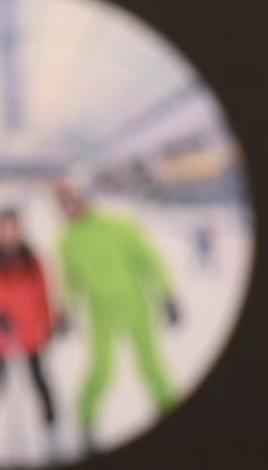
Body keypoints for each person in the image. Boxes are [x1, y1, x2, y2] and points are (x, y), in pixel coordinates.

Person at [55, 181, 180, 430]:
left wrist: (167, 294)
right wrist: (65, 311)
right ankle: (86, 420)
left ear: (84, 200)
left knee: (152, 367)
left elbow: (148, 260)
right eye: (63, 203)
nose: (69, 207)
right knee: (102, 371)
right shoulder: (67, 241)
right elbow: (70, 281)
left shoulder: (118, 226)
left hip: (136, 307)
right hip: (102, 313)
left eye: (73, 200)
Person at [0, 207, 61, 457]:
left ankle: (51, 431)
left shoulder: (32, 259)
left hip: (30, 332)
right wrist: (1, 314)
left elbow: (44, 293)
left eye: (14, 227)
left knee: (39, 381)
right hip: (1, 334)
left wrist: (49, 324)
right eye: (5, 228)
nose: (10, 233)